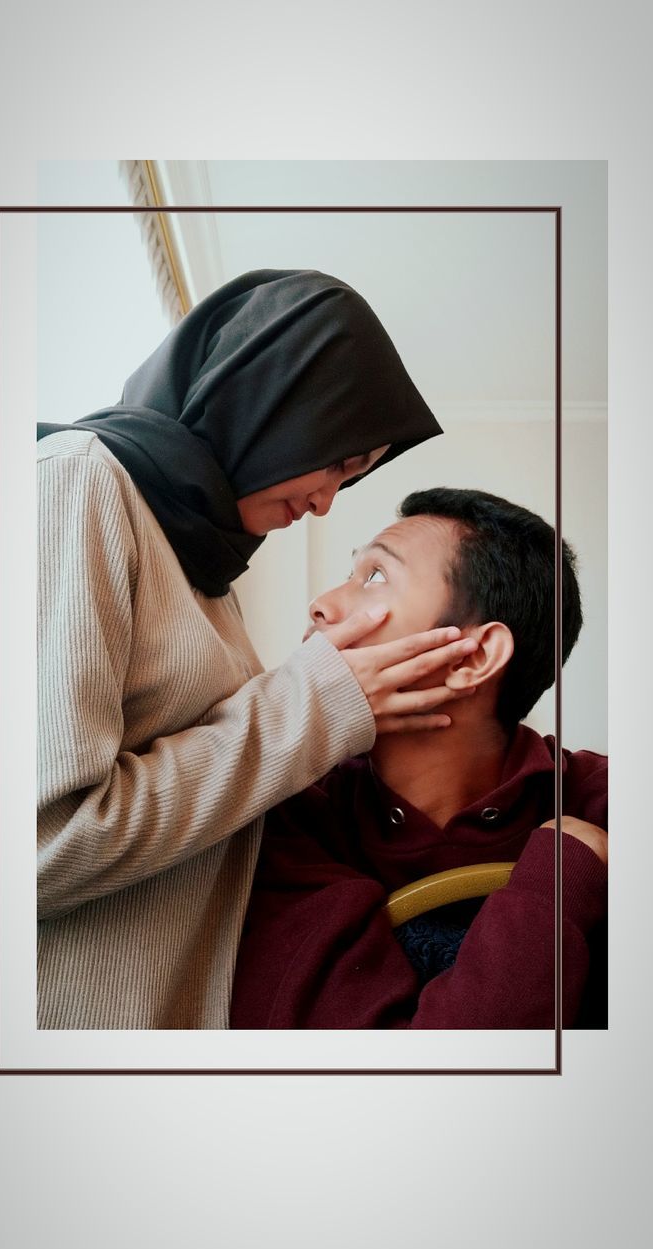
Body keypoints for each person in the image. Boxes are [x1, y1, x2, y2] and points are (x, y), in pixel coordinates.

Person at [36, 268, 475, 1030]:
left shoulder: (208, 574)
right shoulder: (79, 485)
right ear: (275, 400)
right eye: (337, 460)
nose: (326, 502)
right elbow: (37, 846)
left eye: (356, 475)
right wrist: (316, 703)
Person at [230, 488, 608, 1030]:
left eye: (376, 577)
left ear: (472, 658)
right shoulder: (291, 823)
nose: (323, 603)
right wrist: (563, 874)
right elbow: (412, 1088)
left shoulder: (604, 796)